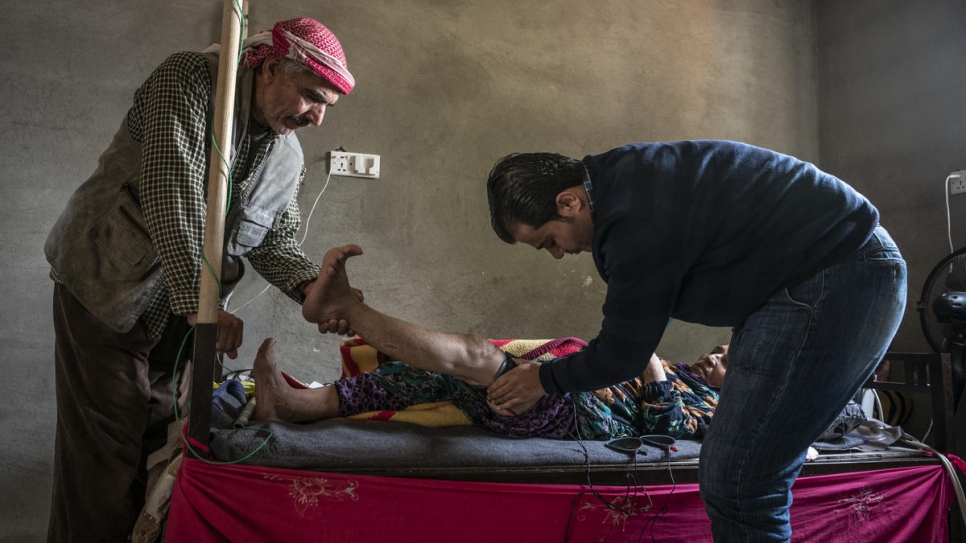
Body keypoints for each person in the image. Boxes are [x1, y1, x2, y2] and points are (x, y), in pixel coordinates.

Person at [483, 141, 906, 542]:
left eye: (549, 242)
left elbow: (623, 353)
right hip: (821, 275)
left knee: (740, 478)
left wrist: (543, 379)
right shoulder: (628, 181)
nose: (557, 254)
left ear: (568, 201)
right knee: (739, 471)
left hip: (840, 272)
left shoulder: (632, 215)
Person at [43, 18, 357, 542]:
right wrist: (203, 304)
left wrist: (313, 287)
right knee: (104, 449)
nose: (317, 117)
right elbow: (175, 193)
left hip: (181, 311)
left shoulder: (288, 154)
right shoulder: (191, 79)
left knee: (161, 438)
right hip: (105, 286)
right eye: (310, 96)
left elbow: (274, 243)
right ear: (271, 67)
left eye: (326, 105)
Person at [254, 245, 720, 440]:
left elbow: (669, 436)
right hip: (561, 385)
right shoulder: (684, 371)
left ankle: (348, 309)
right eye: (716, 349)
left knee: (476, 354)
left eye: (722, 360)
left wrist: (654, 372)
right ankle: (298, 405)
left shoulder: (720, 406)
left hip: (582, 418)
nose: (710, 357)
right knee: (426, 374)